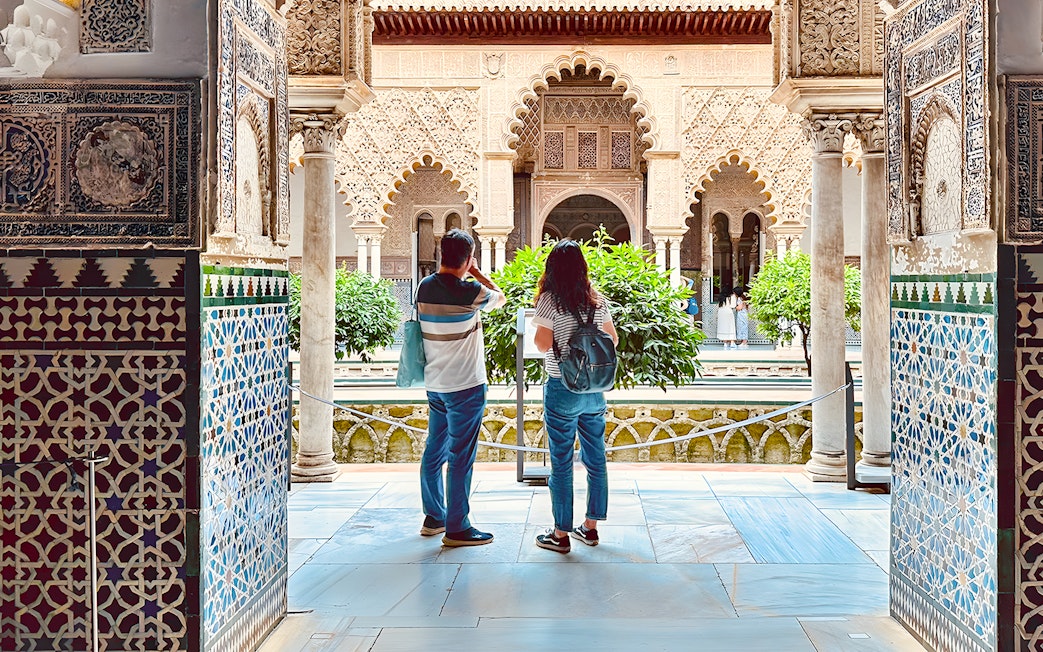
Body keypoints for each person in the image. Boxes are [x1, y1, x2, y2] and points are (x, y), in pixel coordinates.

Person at [416, 229, 506, 547]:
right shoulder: (469, 292)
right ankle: (457, 527)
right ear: (466, 259)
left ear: (441, 254)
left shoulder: (423, 287)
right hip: (466, 385)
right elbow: (501, 297)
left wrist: (466, 269)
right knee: (460, 456)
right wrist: (477, 271)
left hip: (436, 384)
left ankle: (434, 516)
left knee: (434, 448)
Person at [531, 239, 619, 554]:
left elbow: (542, 345)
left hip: (563, 388)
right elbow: (613, 338)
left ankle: (560, 534)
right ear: (582, 268)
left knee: (562, 462)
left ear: (552, 268)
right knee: (596, 458)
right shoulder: (597, 301)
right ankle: (591, 528)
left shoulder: (549, 301)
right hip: (595, 391)